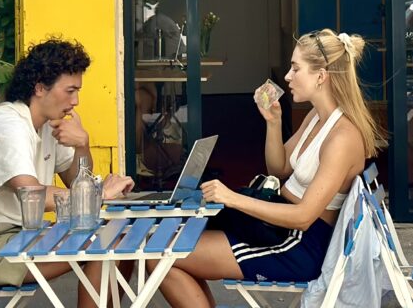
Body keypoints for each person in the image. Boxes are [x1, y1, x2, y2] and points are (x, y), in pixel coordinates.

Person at [156, 29, 386, 308]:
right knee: (164, 255)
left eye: (295, 68)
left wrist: (231, 198)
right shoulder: (316, 116)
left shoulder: (342, 138)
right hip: (276, 228)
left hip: (299, 245)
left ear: (321, 76)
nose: (287, 76)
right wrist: (273, 122)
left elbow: (303, 216)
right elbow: (279, 169)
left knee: (162, 259)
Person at [0, 37, 135, 306]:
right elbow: (32, 194)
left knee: (124, 241)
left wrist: (82, 144)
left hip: (14, 236)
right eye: (70, 91)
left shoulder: (48, 126)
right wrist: (99, 195)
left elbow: (76, 181)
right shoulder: (8, 125)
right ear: (40, 88)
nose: (76, 101)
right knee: (107, 245)